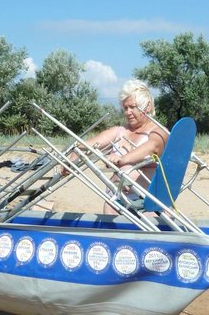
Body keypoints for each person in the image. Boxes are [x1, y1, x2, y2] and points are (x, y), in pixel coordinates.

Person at [63, 79, 167, 215]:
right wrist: (71, 160)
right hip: (116, 202)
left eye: (132, 107)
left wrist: (123, 159)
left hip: (147, 204)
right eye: (125, 108)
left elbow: (153, 147)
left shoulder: (158, 131)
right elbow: (89, 145)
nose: (128, 112)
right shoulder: (119, 131)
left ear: (147, 107)